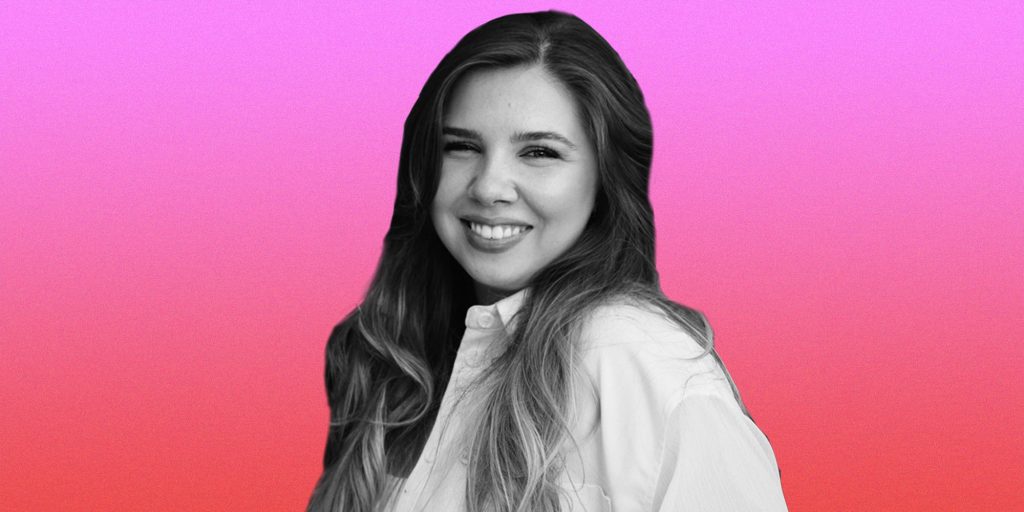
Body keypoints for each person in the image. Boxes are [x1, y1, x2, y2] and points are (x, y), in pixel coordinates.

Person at [308, 10, 788, 512]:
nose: (489, 187)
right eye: (462, 147)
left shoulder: (650, 373)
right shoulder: (395, 360)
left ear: (605, 178)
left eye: (539, 152)